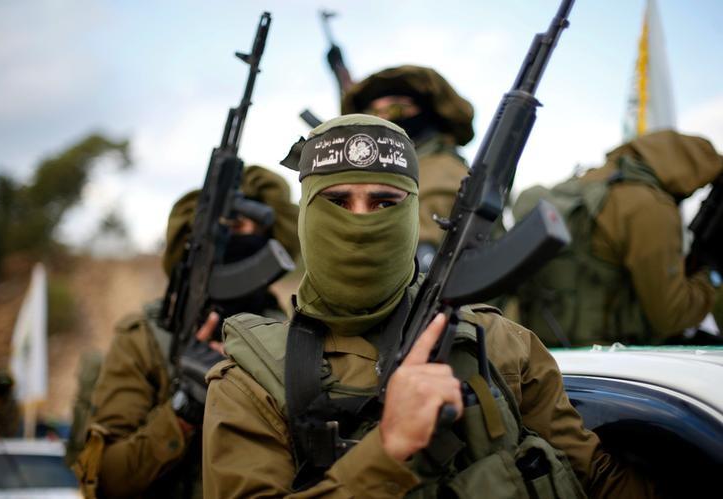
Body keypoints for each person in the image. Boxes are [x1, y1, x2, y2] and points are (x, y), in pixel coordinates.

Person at [203, 115, 657, 498]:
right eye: (338, 201)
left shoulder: (498, 344)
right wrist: (387, 448)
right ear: (306, 215)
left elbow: (600, 479)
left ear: (412, 214)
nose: (361, 221)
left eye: (384, 201)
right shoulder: (249, 382)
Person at [72, 165, 300, 498]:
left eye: (256, 228)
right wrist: (185, 405)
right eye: (233, 226)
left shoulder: (293, 337)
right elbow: (106, 480)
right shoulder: (146, 340)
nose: (245, 236)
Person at [513, 130, 722, 347]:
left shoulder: (583, 184)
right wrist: (711, 278)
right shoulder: (650, 207)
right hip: (610, 359)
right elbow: (671, 316)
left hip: (541, 349)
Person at [341, 65, 474, 270]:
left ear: (424, 111)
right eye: (375, 113)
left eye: (395, 109)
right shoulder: (376, 173)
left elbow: (421, 250)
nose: (385, 119)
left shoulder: (442, 169)